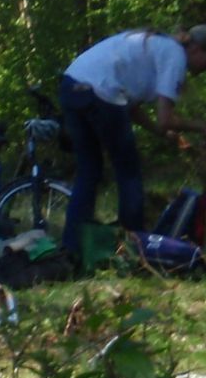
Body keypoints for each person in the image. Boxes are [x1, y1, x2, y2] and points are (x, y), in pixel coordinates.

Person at [57, 26, 206, 241]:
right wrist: (201, 126)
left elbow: (132, 109)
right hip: (101, 91)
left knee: (88, 171)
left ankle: (72, 246)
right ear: (196, 49)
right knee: (128, 172)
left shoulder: (159, 47)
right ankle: (135, 244)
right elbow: (166, 119)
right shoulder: (175, 55)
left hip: (71, 84)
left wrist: (161, 133)